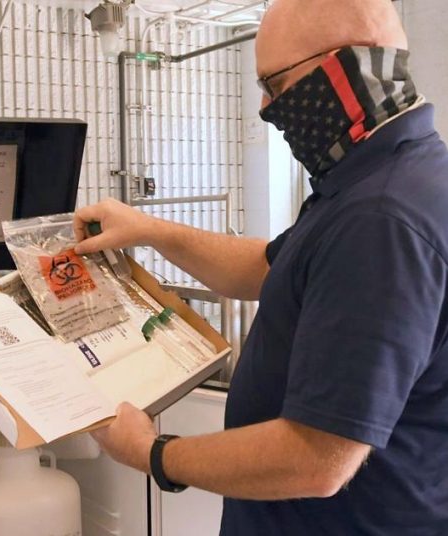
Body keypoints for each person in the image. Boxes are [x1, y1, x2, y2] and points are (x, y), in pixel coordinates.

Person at [73, 0, 448, 533]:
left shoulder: (380, 218)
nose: (267, 108)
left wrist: (150, 452)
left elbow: (316, 461)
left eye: (275, 84)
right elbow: (270, 267)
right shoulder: (385, 176)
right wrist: (147, 229)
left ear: (342, 68)